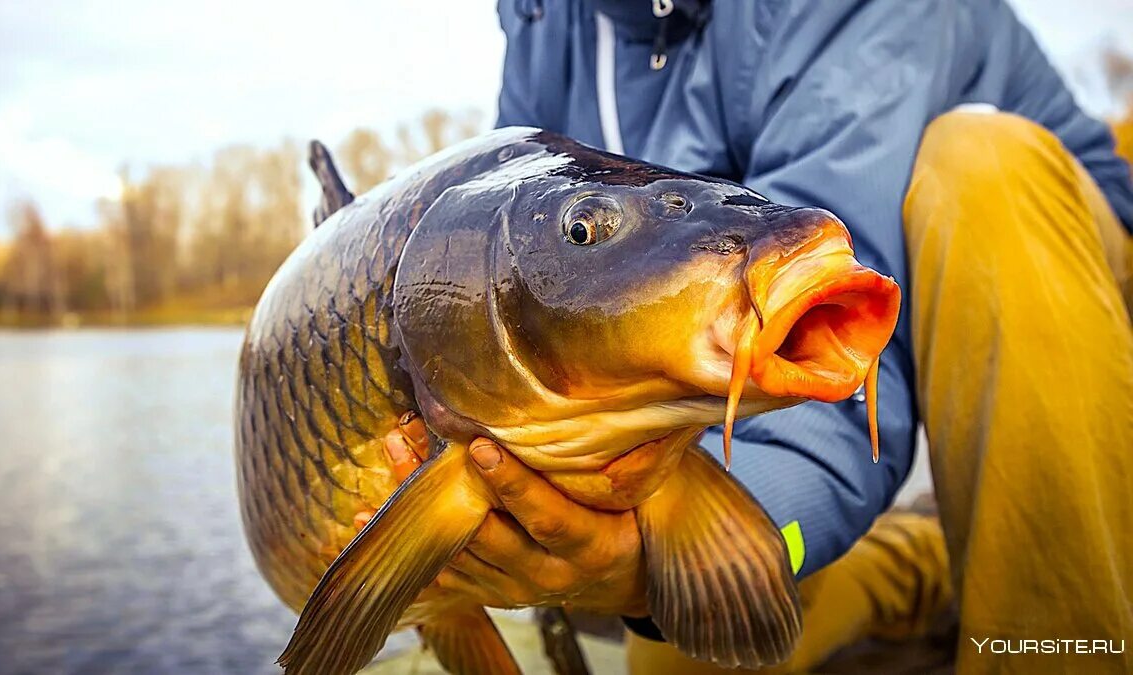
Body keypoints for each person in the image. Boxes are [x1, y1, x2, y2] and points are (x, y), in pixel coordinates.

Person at [369, 1, 1133, 672]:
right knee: (698, 635)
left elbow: (817, 326)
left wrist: (706, 536)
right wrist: (640, 562)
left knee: (984, 166)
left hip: (1070, 293)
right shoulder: (543, 21)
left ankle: (1051, 648)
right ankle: (920, 560)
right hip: (772, 349)